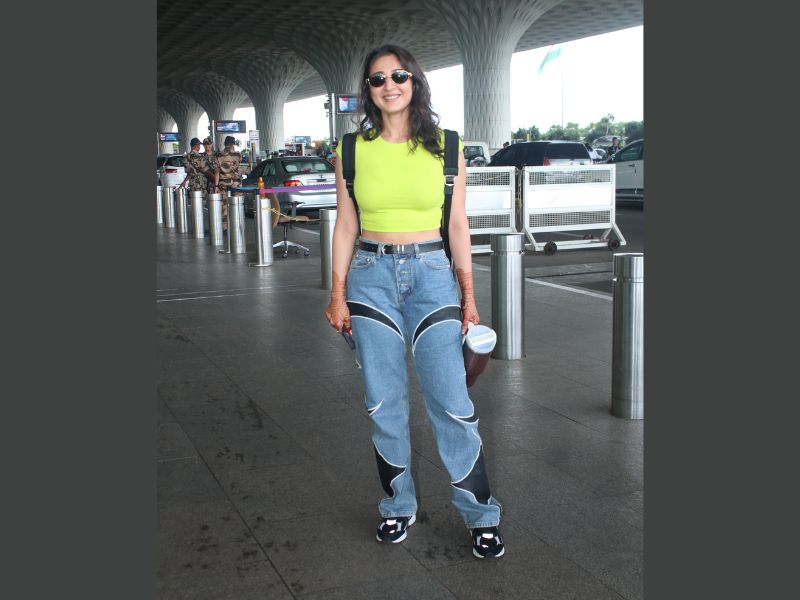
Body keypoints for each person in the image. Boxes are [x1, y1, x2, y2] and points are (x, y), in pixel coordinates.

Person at [324, 44, 504, 559]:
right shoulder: (350, 150)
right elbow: (346, 225)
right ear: (368, 89)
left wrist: (468, 295)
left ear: (415, 82)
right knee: (384, 404)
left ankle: (480, 514)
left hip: (432, 277)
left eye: (399, 75)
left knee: (452, 402)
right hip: (370, 278)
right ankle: (397, 506)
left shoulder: (448, 147)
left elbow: (457, 225)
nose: (390, 85)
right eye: (378, 79)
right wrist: (337, 295)